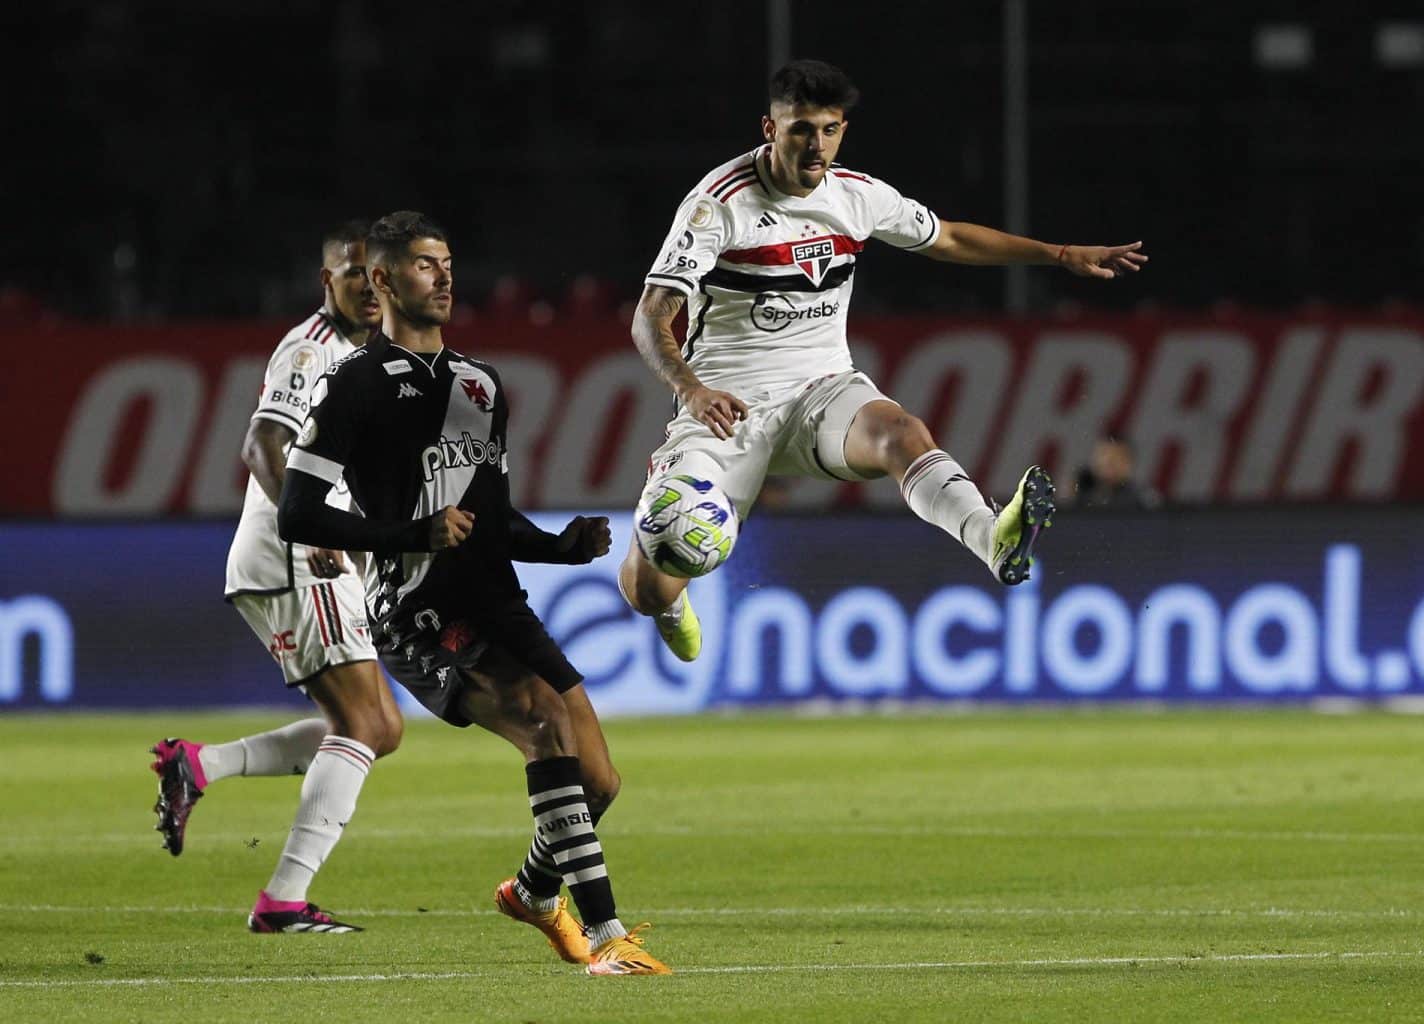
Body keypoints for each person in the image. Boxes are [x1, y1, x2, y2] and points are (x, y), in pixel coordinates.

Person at [619, 59, 1148, 660]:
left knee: (901, 432)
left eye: (829, 129)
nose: (816, 145)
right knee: (646, 583)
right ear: (770, 129)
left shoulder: (858, 196)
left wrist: (1057, 253)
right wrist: (690, 389)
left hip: (821, 389)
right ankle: (669, 604)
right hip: (728, 406)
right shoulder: (718, 206)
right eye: (800, 130)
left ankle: (992, 539)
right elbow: (650, 316)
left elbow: (948, 237)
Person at [277, 210, 669, 976]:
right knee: (542, 722)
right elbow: (298, 510)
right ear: (383, 279)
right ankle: (607, 937)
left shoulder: (480, 384)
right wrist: (410, 536)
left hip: (496, 597)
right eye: (425, 264)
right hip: (416, 607)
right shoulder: (353, 384)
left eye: (448, 261)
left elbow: (486, 516)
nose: (445, 276)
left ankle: (530, 893)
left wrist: (560, 546)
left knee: (599, 780)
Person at [151, 220, 401, 935]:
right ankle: (283, 900)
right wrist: (313, 522)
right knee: (364, 724)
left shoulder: (371, 357)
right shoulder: (310, 349)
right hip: (299, 553)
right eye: (352, 273)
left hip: (319, 553)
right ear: (329, 282)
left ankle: (201, 765)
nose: (367, 285)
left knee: (377, 728)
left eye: (375, 273)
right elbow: (262, 442)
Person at [1073, 436, 1161, 509]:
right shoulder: (1081, 493)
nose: (1108, 462)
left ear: (1129, 463)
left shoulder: (1142, 499)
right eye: (1103, 455)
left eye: (1116, 457)